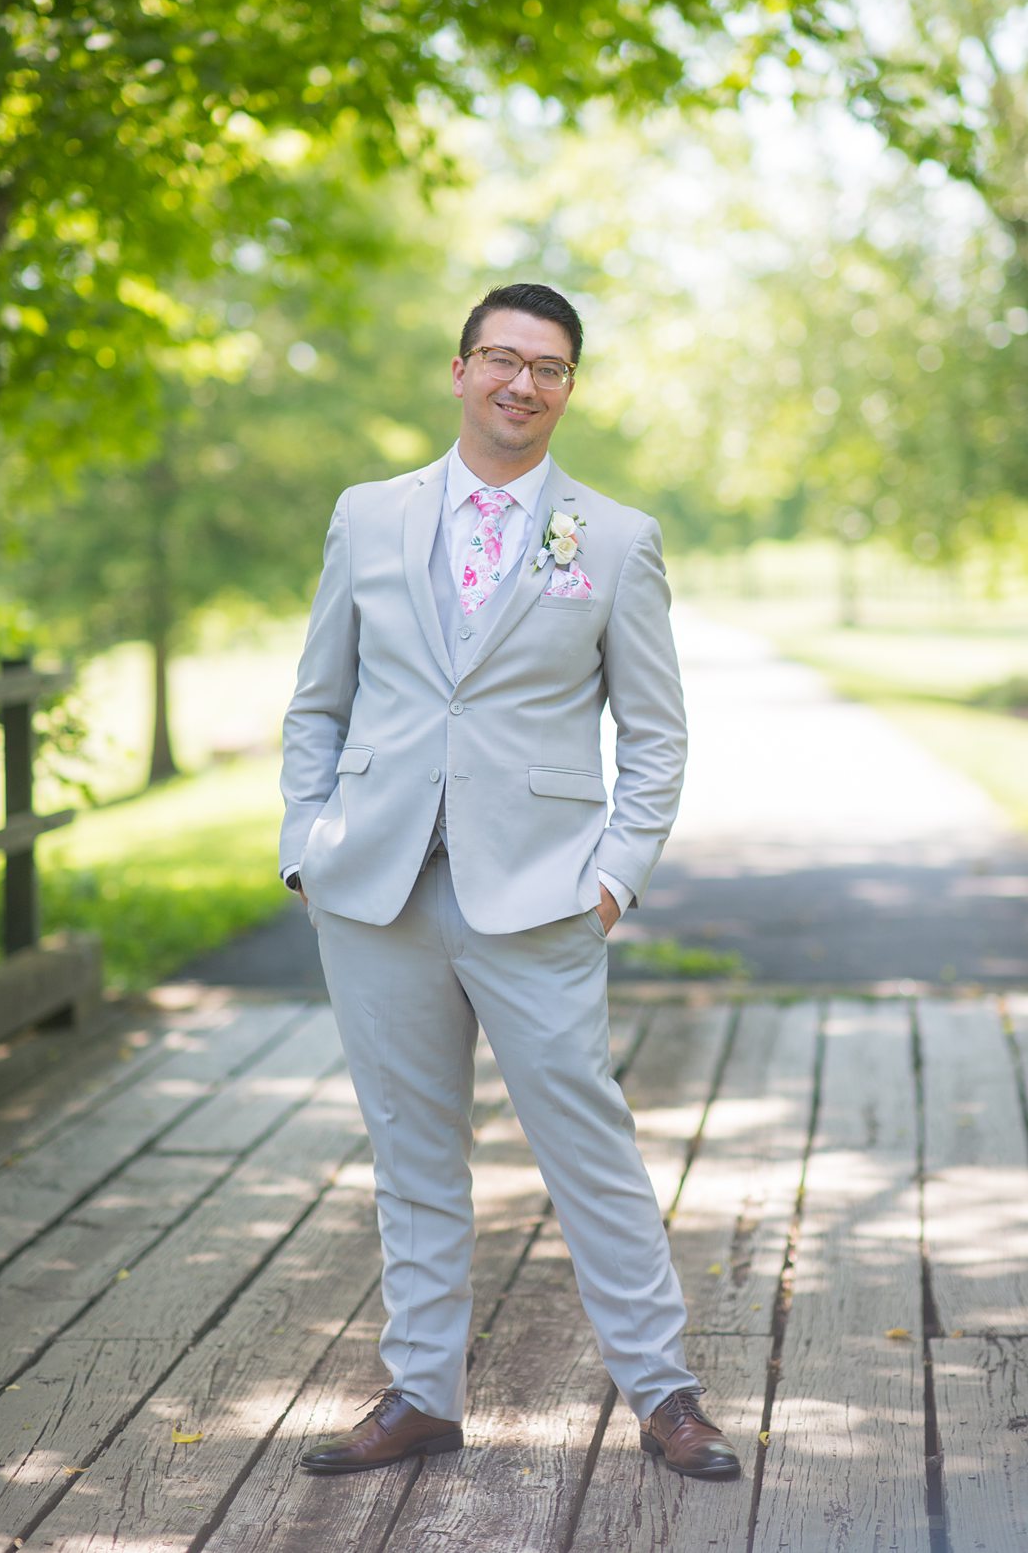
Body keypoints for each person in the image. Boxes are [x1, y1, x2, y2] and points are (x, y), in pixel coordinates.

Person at [278, 282, 740, 1482]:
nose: (521, 383)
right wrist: (304, 845)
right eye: (501, 357)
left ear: (568, 388)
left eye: (548, 366)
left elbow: (657, 735)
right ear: (461, 369)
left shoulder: (616, 538)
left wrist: (614, 882)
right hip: (372, 890)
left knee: (590, 1146)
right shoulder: (367, 516)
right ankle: (422, 1394)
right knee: (411, 1150)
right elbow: (317, 702)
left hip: (539, 896)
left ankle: (666, 1390)